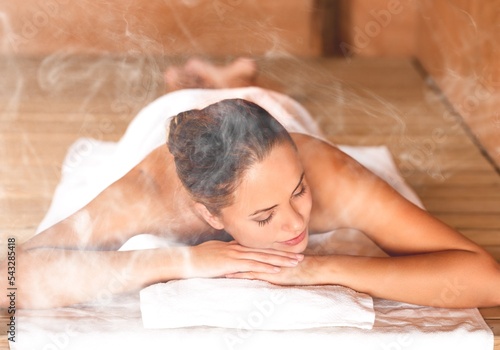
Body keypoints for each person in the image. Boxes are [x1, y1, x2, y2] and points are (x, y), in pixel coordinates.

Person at [1, 58, 499, 310]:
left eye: (298, 191)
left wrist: (322, 270)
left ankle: (243, 77)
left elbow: (485, 277)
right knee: (180, 104)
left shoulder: (327, 173)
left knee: (263, 99)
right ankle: (193, 85)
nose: (295, 222)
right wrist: (181, 260)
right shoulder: (146, 193)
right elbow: (10, 276)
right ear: (209, 216)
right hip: (162, 121)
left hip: (268, 111)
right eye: (263, 216)